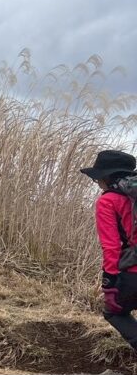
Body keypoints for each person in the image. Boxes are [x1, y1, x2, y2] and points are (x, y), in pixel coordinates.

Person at [80, 149, 137, 354]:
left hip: (133, 273)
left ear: (107, 177)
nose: (97, 182)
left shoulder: (108, 201)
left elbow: (111, 246)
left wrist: (109, 283)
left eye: (98, 178)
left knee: (114, 312)